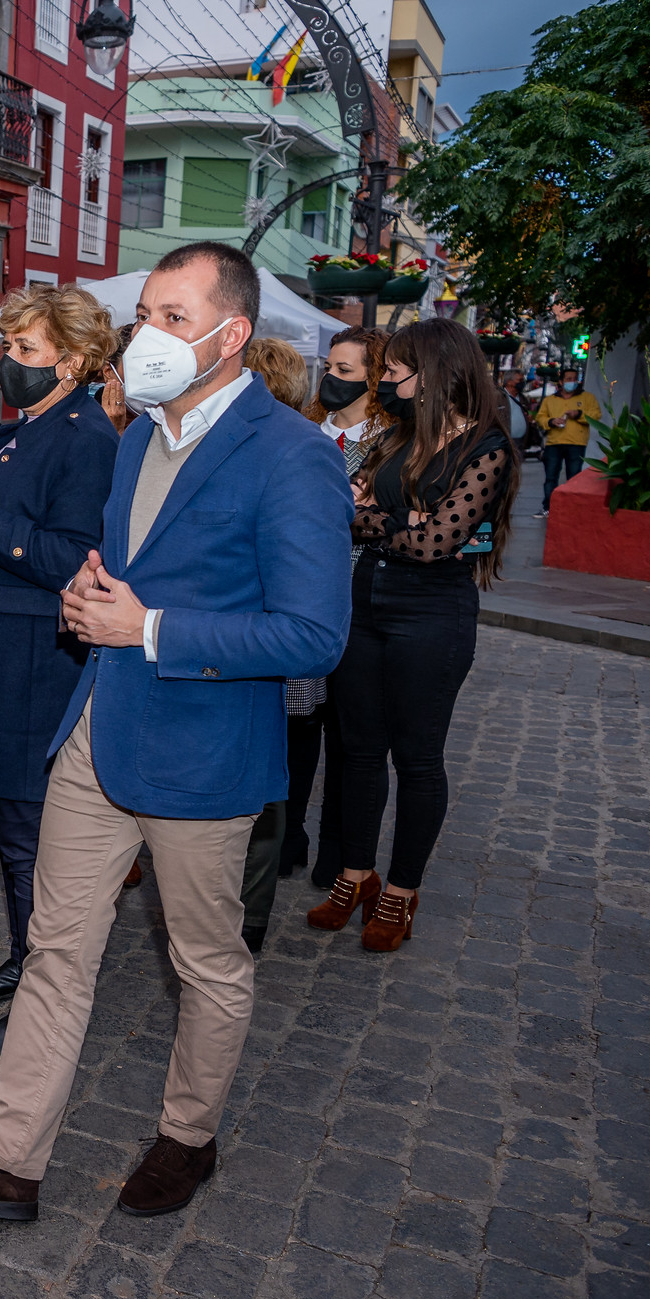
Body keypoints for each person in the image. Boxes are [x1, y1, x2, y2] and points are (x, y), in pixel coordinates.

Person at [0, 241, 351, 1224]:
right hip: (97, 729)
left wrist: (143, 627)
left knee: (204, 960)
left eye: (172, 319)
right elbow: (117, 565)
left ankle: (188, 1135)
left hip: (203, 751)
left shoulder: (290, 453)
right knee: (55, 947)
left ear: (231, 337)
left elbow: (313, 632)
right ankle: (8, 1158)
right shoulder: (136, 434)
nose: (148, 335)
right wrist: (87, 599)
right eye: (144, 314)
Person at [0, 283, 120, 1064]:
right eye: (7, 346)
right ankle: (22, 959)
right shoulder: (21, 425)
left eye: (26, 350)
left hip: (34, 669)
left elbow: (75, 558)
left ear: (72, 364)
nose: (9, 361)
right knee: (12, 836)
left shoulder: (85, 439)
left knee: (32, 840)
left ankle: (41, 1006)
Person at [310, 318, 515, 951]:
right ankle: (354, 876)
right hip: (364, 603)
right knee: (360, 751)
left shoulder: (487, 448)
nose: (388, 379)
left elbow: (436, 545)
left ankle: (401, 891)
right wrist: (399, 518)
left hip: (432, 615)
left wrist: (384, 520)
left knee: (418, 759)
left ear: (435, 371)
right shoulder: (396, 438)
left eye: (397, 369)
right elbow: (345, 509)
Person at [289, 327, 390, 895]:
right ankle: (286, 838)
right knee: (297, 724)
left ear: (373, 382)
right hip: (300, 595)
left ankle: (338, 857)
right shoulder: (303, 430)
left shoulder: (388, 444)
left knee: (351, 739)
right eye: (330, 365)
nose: (331, 377)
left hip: (357, 598)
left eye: (347, 371)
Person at [230, 337, 313, 954]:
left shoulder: (295, 454)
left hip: (268, 649)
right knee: (263, 786)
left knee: (266, 788)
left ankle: (250, 916)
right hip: (236, 647)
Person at [532, 374, 602, 517]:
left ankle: (571, 508)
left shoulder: (587, 398)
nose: (572, 382)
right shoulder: (550, 400)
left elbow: (596, 415)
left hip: (576, 443)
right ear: (561, 382)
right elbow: (540, 417)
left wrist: (579, 414)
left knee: (574, 477)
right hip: (554, 443)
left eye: (575, 379)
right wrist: (551, 422)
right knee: (551, 477)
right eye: (569, 379)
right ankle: (549, 508)